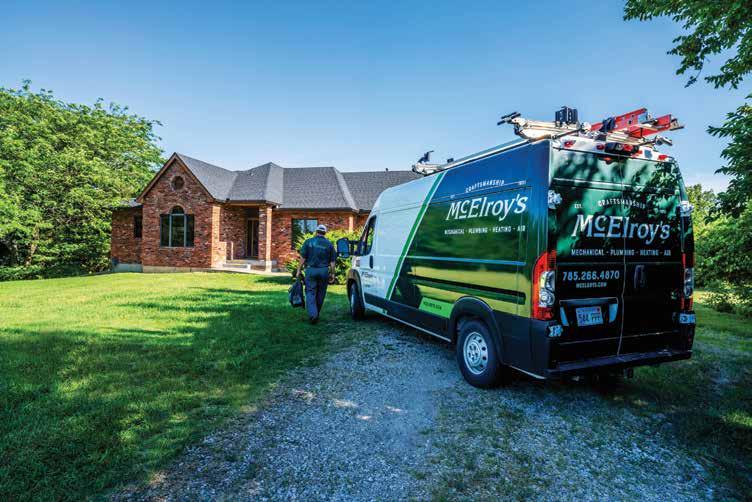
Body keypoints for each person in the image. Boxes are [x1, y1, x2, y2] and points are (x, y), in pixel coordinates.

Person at [295, 224, 336, 324]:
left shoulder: (308, 242)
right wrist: (332, 274)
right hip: (323, 271)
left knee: (310, 292)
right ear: (325, 233)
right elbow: (332, 262)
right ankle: (316, 313)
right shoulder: (329, 244)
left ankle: (313, 315)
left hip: (311, 270)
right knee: (321, 293)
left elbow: (303, 258)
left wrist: (298, 270)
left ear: (316, 232)